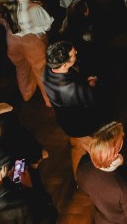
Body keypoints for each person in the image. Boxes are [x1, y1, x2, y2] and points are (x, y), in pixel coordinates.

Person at [43, 41, 100, 180]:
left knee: (77, 148)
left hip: (66, 120)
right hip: (81, 125)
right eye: (74, 55)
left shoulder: (47, 70)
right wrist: (91, 83)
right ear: (64, 65)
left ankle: (78, 179)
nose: (77, 54)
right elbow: (90, 101)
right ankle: (102, 177)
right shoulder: (72, 88)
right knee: (97, 150)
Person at [0, 0, 53, 105]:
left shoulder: (0, 5)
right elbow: (47, 25)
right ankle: (49, 100)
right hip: (33, 43)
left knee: (21, 68)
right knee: (41, 71)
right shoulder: (33, 7)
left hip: (12, 40)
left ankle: (27, 93)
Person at [76, 121, 127, 224]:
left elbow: (84, 190)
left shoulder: (83, 164)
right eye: (122, 136)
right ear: (114, 154)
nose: (124, 135)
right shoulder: (125, 186)